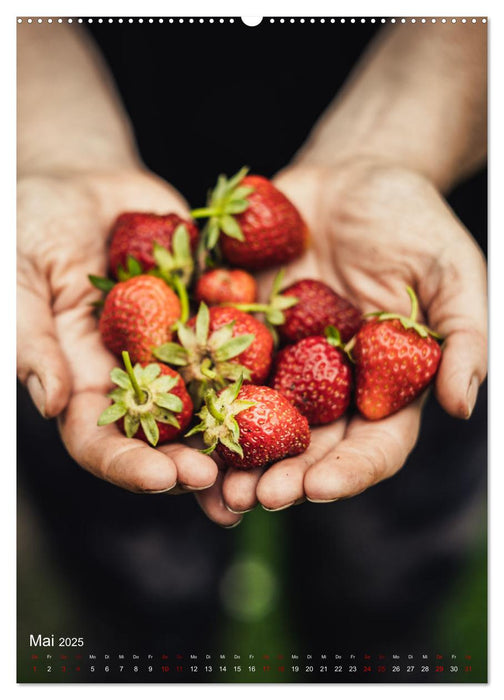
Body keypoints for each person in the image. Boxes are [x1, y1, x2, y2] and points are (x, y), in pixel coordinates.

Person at [17, 18, 487, 666]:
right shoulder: (170, 325)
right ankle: (145, 653)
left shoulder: (288, 333)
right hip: (91, 142)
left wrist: (399, 150)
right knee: (131, 563)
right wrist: (56, 154)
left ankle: (377, 649)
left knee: (385, 560)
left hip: (412, 188)